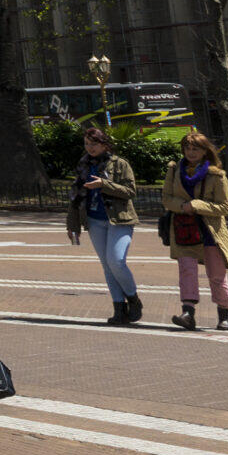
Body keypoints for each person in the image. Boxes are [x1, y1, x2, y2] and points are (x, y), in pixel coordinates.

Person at [64, 125, 140, 325]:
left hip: (119, 218)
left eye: (94, 144)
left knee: (116, 260)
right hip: (94, 220)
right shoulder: (83, 165)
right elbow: (75, 196)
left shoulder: (119, 163)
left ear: (104, 144)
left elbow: (131, 191)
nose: (90, 148)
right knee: (107, 265)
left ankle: (133, 299)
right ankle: (119, 308)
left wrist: (103, 184)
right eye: (87, 144)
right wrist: (72, 224)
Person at [163, 130, 228, 332]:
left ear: (205, 151)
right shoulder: (174, 170)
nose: (191, 152)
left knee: (216, 275)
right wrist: (182, 206)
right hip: (184, 230)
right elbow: (167, 199)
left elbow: (224, 207)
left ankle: (224, 314)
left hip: (211, 231)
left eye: (196, 148)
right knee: (187, 271)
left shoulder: (217, 175)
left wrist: (196, 205)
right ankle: (188, 313)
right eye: (187, 148)